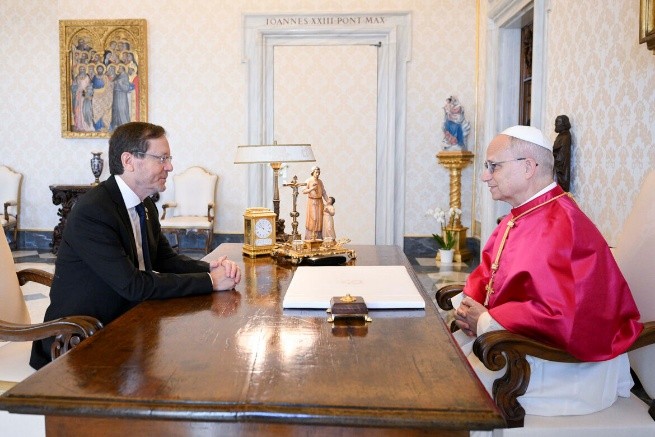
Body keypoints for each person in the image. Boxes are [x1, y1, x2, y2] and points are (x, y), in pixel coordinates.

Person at [453, 125, 642, 416]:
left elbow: (563, 316)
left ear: (528, 167)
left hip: (564, 370)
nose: (485, 176)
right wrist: (469, 309)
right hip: (514, 342)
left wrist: (485, 319)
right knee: (440, 362)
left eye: (493, 166)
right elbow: (489, 274)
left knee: (451, 388)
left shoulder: (562, 224)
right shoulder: (522, 215)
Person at [30, 122, 241, 370]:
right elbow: (134, 285)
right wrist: (211, 282)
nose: (170, 166)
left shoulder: (145, 204)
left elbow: (166, 259)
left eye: (169, 158)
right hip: (79, 340)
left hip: (128, 322)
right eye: (161, 158)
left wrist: (210, 268)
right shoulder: (94, 211)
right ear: (129, 161)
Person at [302, 166, 328, 240]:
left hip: (319, 201)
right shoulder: (309, 180)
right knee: (313, 218)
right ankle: (310, 237)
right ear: (312, 172)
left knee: (320, 219)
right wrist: (312, 188)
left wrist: (328, 201)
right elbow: (303, 191)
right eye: (316, 172)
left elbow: (323, 192)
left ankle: (318, 238)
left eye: (319, 172)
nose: (317, 174)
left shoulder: (320, 181)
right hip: (312, 202)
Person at [553, 114, 572, 191]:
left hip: (561, 170)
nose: (555, 124)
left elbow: (562, 155)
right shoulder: (560, 136)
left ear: (564, 124)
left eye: (558, 122)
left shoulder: (566, 136)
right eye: (555, 122)